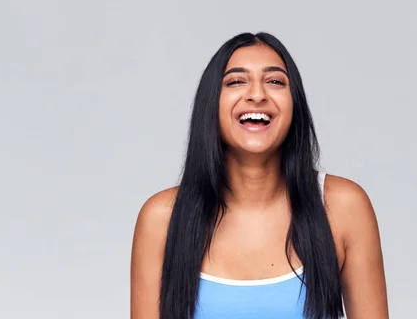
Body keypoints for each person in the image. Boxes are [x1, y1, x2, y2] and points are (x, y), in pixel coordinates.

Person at [130, 32, 389, 319]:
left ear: (295, 104)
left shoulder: (343, 207)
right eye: (236, 81)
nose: (256, 95)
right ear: (211, 103)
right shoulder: (162, 218)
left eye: (275, 81)